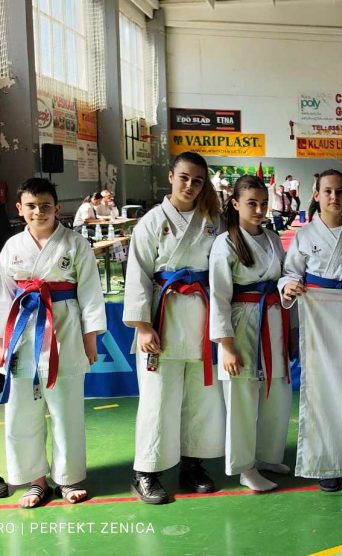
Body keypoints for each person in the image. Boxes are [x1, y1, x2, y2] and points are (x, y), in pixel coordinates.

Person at [124, 151, 225, 504]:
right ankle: (145, 471)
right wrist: (142, 327)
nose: (190, 185)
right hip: (163, 317)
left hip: (200, 318)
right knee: (158, 399)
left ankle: (192, 463)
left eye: (198, 181)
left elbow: (222, 269)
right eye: (184, 177)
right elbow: (137, 274)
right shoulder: (151, 222)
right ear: (170, 177)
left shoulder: (212, 220)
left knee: (200, 398)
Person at [0, 178, 105, 508]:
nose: (39, 212)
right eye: (31, 206)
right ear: (19, 209)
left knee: (66, 409)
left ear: (57, 208)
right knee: (22, 411)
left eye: (45, 205)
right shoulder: (12, 247)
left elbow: (90, 293)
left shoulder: (75, 244)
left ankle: (67, 477)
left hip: (66, 331)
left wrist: (91, 339)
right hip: (22, 333)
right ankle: (36, 480)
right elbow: (3, 297)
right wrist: (3, 344)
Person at [278, 169, 342, 492]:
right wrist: (288, 286)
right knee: (322, 390)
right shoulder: (305, 235)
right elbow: (290, 272)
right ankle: (326, 460)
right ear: (316, 195)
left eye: (340, 191)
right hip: (319, 317)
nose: (334, 197)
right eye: (328, 191)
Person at [208, 175, 291, 492]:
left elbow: (284, 278)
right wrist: (226, 346)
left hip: (273, 320)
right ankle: (244, 467)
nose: (259, 210)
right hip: (241, 324)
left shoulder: (272, 238)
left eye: (263, 203)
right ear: (235, 204)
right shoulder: (225, 243)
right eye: (251, 203)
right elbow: (219, 296)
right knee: (242, 398)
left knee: (276, 393)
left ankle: (267, 455)